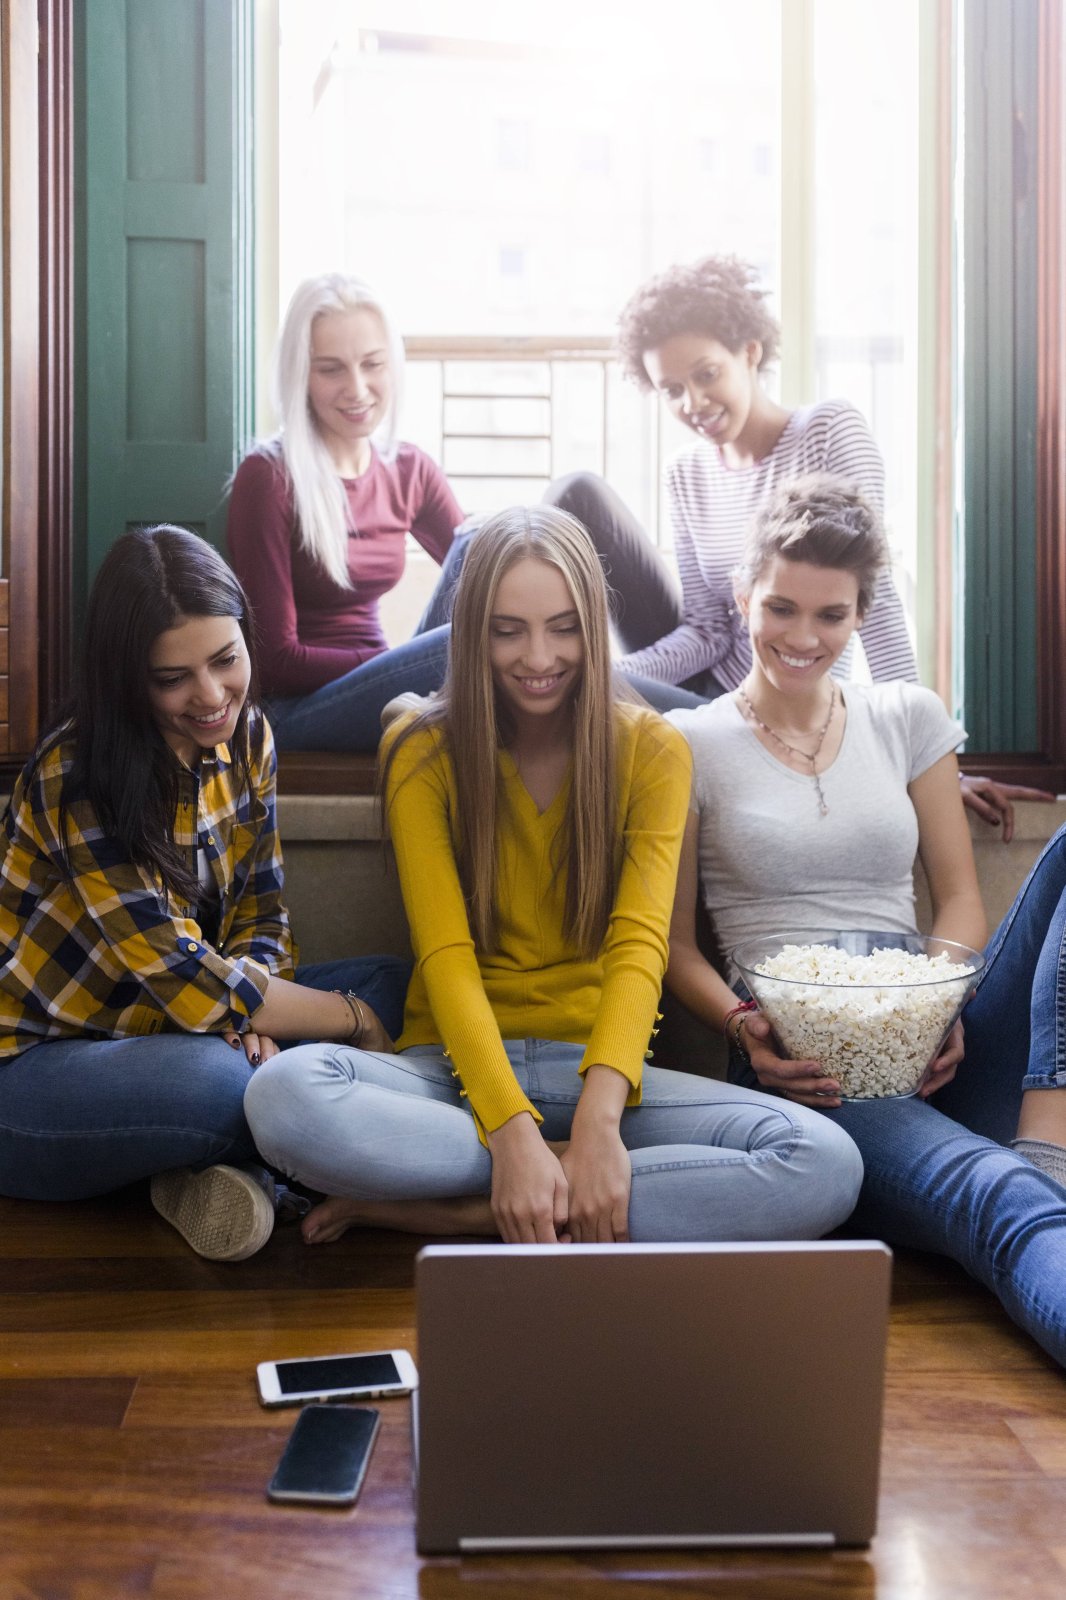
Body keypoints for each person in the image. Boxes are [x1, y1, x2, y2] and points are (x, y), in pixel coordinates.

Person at [243, 506, 863, 1248]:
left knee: (825, 1162)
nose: (539, 656)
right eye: (508, 630)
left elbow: (641, 950)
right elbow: (445, 957)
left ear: (592, 628)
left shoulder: (653, 751)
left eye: (564, 627)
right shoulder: (420, 751)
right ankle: (550, 1188)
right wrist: (510, 1136)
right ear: (473, 631)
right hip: (451, 1072)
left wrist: (600, 1126)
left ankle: (457, 1211)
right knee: (282, 1099)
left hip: (603, 1077)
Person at [665, 473, 1066, 1367]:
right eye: (781, 608)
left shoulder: (906, 717)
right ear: (743, 596)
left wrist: (939, 999)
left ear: (860, 616)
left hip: (933, 1014)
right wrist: (746, 1027)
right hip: (804, 1053)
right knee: (995, 1197)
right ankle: (1027, 1181)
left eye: (832, 617)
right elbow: (674, 944)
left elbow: (959, 899)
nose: (803, 638)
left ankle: (1050, 1140)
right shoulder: (690, 743)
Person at [0, 526, 409, 1260]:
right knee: (221, 1086)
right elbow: (185, 978)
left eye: (226, 660)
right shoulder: (77, 775)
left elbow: (262, 909)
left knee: (399, 985)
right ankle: (272, 1159)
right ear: (128, 676)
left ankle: (211, 1172)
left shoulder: (248, 737)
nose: (211, 695)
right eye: (173, 678)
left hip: (186, 1025)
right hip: (40, 1067)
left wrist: (264, 1018)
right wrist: (344, 1022)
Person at [542, 252, 1051, 833]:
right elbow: (706, 630)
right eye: (672, 390)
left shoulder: (829, 431)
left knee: (562, 692)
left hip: (770, 702)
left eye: (707, 375)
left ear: (750, 352)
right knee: (571, 497)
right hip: (699, 681)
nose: (694, 404)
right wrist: (614, 673)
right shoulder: (684, 474)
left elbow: (874, 602)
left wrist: (931, 759)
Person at [226, 273, 466, 752]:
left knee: (484, 548)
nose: (357, 389)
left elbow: (484, 570)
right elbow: (272, 659)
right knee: (457, 649)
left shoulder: (408, 468)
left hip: (379, 680)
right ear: (301, 375)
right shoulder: (269, 477)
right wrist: (395, 661)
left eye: (372, 364)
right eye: (331, 369)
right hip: (295, 709)